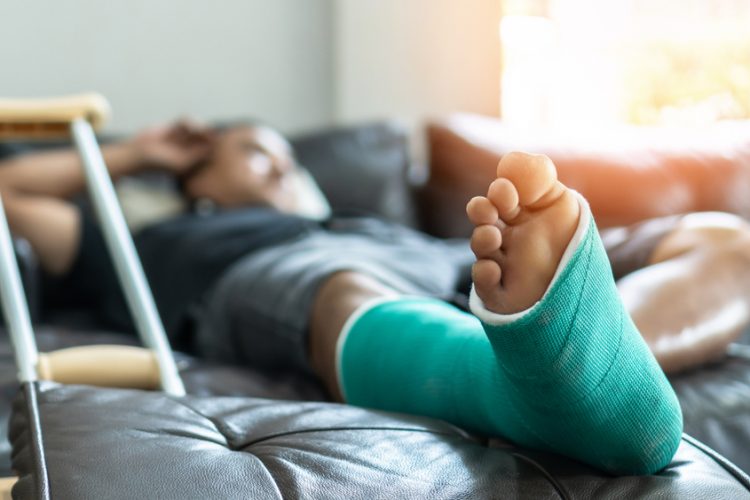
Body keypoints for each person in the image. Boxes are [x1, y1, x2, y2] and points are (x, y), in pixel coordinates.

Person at [0, 120, 742, 475]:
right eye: (255, 153)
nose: (282, 166)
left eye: (289, 159)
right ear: (197, 184)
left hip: (441, 263)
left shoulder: (369, 219)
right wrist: (135, 156)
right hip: (285, 270)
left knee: (723, 238)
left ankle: (584, 349)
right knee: (340, 290)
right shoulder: (148, 235)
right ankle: (537, 373)